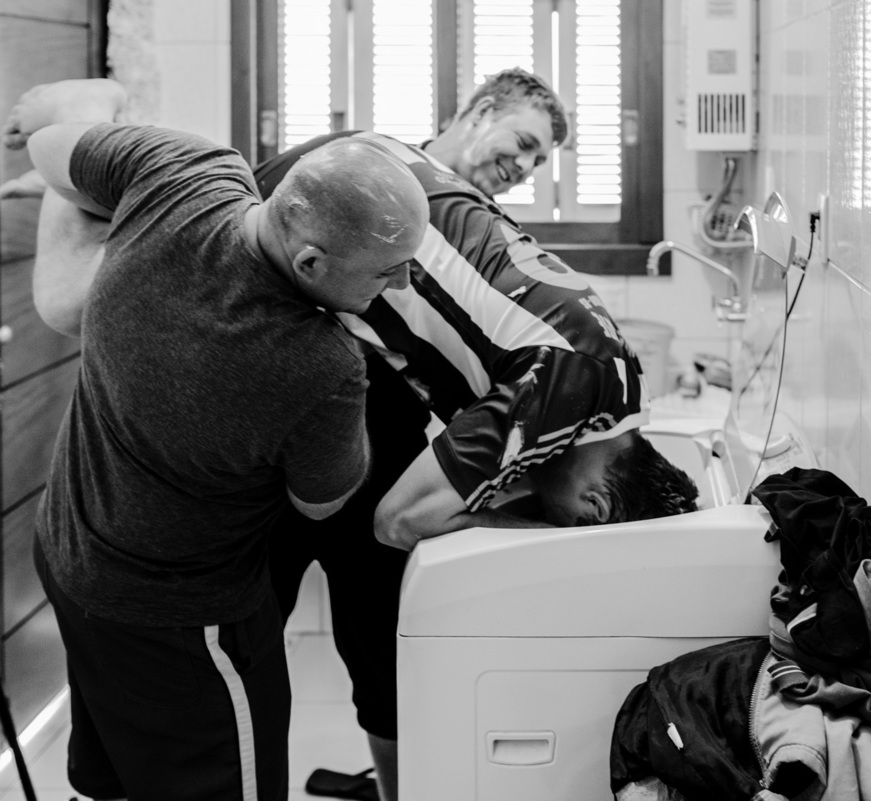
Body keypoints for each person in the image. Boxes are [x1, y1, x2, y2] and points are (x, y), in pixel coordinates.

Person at [8, 72, 698, 801]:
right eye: (524, 141)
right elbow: (400, 519)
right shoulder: (555, 385)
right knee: (64, 305)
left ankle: (81, 168)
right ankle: (84, 127)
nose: (526, 164)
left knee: (366, 631)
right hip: (321, 305)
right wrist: (514, 501)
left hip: (357, 265)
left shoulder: (612, 374)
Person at [5, 79, 429, 800]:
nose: (405, 281)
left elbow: (50, 148)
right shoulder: (322, 366)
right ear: (311, 266)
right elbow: (322, 503)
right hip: (180, 621)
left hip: (72, 559)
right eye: (389, 271)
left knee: (109, 781)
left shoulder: (186, 171)